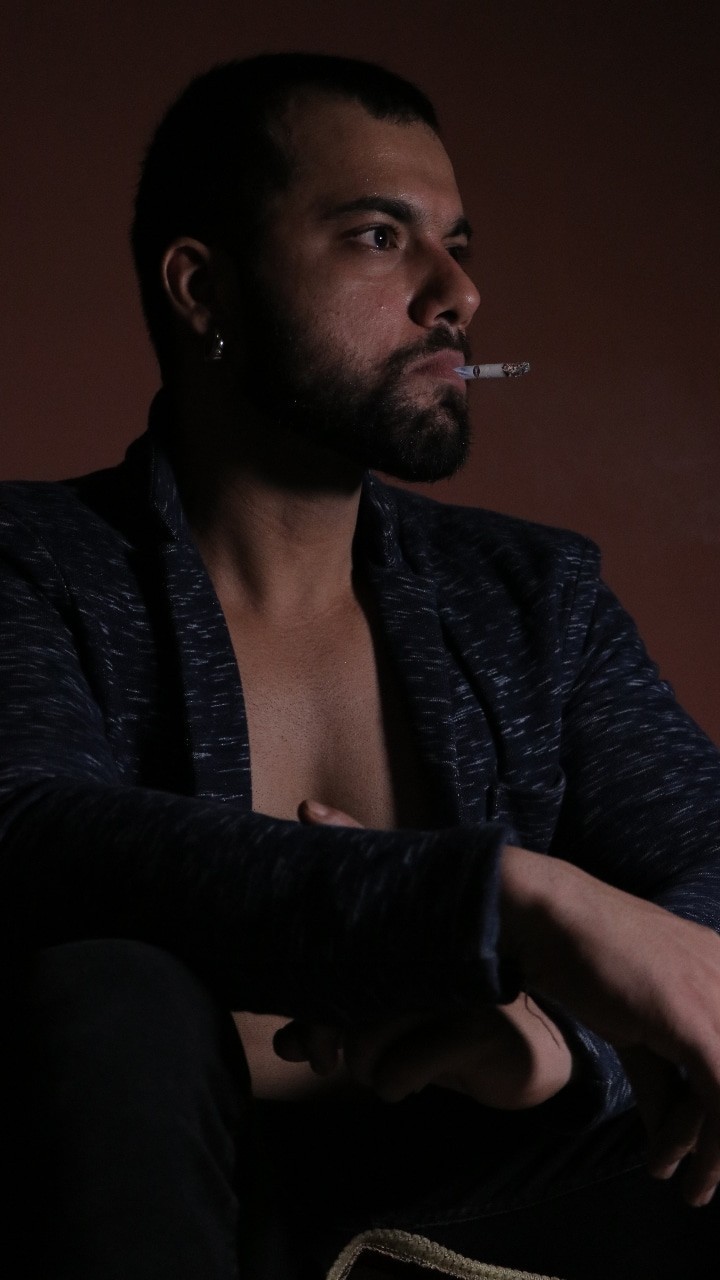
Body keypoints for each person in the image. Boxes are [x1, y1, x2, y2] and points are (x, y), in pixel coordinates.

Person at [1, 52, 720, 1280]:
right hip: (144, 1204)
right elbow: (29, 833)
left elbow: (705, 878)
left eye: (458, 243)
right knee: (108, 989)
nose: (458, 293)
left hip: (472, 1210)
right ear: (203, 287)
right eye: (381, 237)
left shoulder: (534, 596)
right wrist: (503, 902)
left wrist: (556, 1050)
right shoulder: (31, 559)